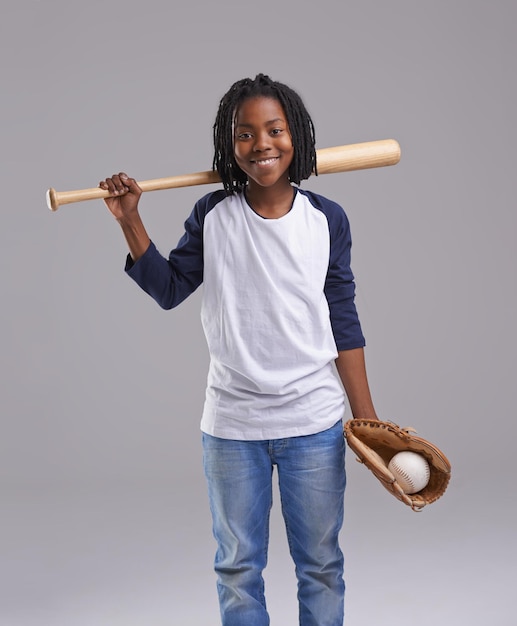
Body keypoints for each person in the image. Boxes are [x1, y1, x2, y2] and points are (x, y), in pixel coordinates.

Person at [99, 74, 378, 626]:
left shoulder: (328, 219)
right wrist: (130, 220)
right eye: (244, 134)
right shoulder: (212, 215)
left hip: (314, 423)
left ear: (296, 135)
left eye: (274, 130)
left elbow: (342, 320)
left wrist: (367, 421)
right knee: (237, 569)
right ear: (229, 146)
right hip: (232, 427)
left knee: (321, 565)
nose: (261, 144)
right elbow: (169, 288)